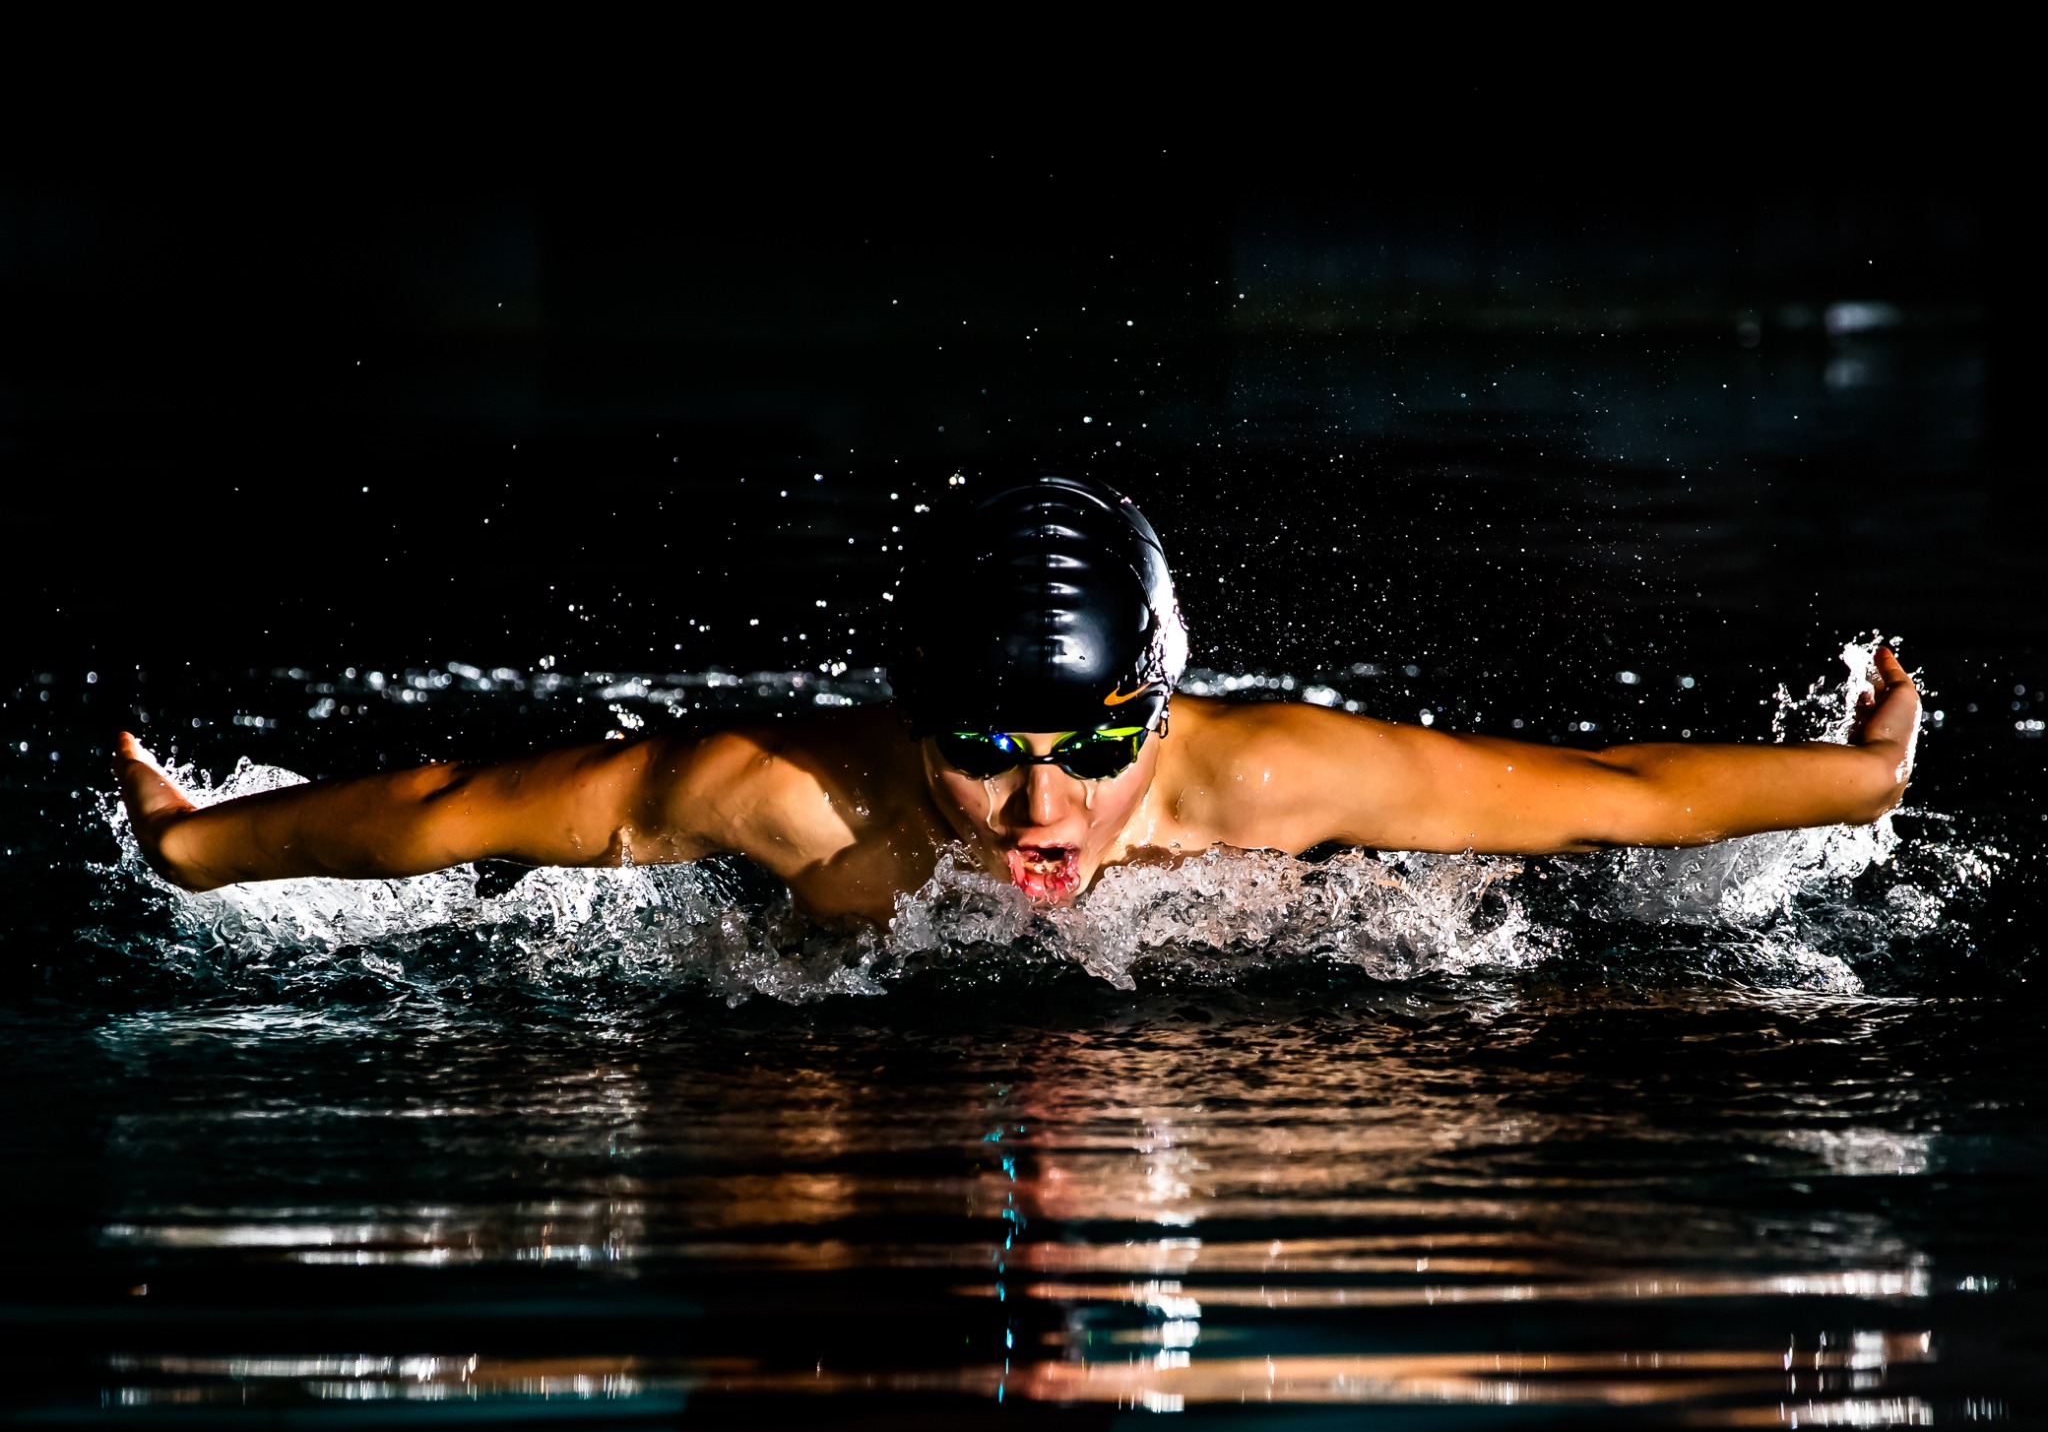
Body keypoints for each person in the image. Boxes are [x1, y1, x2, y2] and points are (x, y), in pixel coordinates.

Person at [114, 478, 1921, 925]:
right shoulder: (798, 800)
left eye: (1093, 751)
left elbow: (1597, 787)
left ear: (1163, 710)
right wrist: (205, 846)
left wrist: (1848, 789)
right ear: (911, 728)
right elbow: (461, 812)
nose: (1042, 813)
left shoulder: (1266, 775)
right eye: (981, 752)